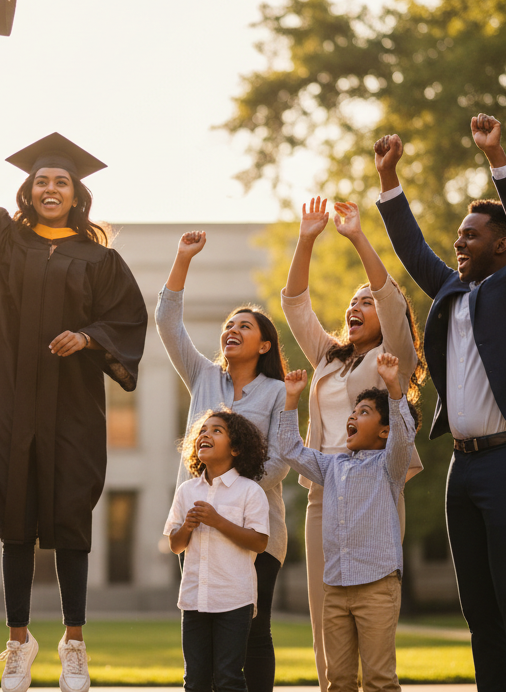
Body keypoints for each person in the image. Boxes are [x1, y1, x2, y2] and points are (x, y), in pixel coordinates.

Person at [0, 86, 148, 692]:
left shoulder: (100, 260)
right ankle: (18, 644)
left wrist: (88, 337)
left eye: (63, 183)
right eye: (42, 182)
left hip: (72, 403)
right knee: (17, 514)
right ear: (27, 191)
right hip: (9, 397)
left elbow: (128, 320)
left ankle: (75, 645)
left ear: (78, 196)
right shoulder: (2, 240)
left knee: (71, 513)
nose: (52, 189)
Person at [374, 114, 506, 692]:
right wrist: (389, 180)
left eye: (471, 234)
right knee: (481, 614)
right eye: (459, 235)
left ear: (502, 244)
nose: (459, 241)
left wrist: (497, 159)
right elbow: (414, 249)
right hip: (463, 468)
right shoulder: (452, 293)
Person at [278, 196, 425, 688]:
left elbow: (388, 295)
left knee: (373, 617)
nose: (355, 306)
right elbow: (295, 305)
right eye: (352, 301)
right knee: (328, 622)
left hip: (377, 489)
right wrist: (307, 238)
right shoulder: (328, 358)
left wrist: (358, 236)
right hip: (324, 491)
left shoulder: (392, 357)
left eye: (367, 302)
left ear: (389, 316)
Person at [156, 230, 291, 692]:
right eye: (228, 326)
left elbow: (278, 461)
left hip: (257, 529)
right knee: (204, 641)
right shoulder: (202, 377)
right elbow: (168, 324)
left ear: (265, 345)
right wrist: (183, 259)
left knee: (253, 634)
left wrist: (232, 489)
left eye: (244, 326)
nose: (232, 330)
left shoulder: (277, 392)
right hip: (199, 531)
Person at [276, 356, 418, 692]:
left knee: (379, 679)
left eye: (364, 411)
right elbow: (291, 450)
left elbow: (404, 434)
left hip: (377, 588)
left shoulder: (390, 465)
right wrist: (292, 399)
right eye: (353, 412)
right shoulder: (332, 466)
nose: (353, 415)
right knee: (338, 680)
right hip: (336, 589)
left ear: (384, 431)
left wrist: (394, 386)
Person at [166, 409, 271, 692]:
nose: (205, 435)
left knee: (228, 678)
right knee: (195, 680)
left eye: (216, 431)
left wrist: (217, 521)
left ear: (236, 448)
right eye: (202, 430)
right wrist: (187, 527)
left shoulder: (249, 491)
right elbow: (175, 545)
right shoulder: (186, 491)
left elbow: (260, 542)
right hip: (194, 600)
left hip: (234, 600)